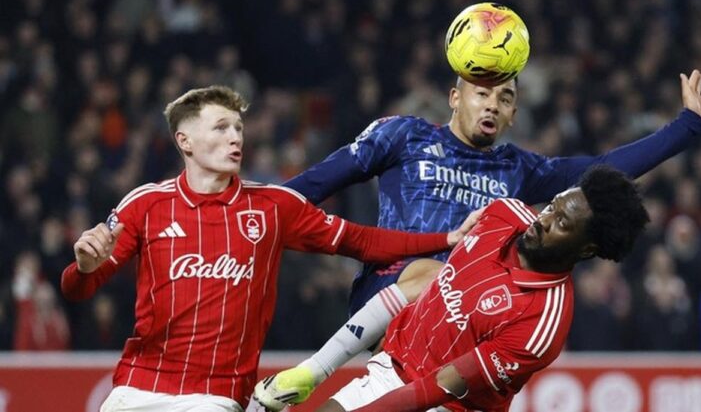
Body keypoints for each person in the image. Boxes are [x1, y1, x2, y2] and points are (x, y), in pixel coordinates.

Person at [253, 69, 701, 405]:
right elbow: (312, 186)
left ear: (514, 115)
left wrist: (687, 127)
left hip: (463, 341)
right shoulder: (404, 135)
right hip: (395, 301)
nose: (492, 104)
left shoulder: (519, 171)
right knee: (432, 271)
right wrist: (252, 216)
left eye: (506, 98)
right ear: (455, 97)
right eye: (482, 93)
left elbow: (600, 177)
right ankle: (313, 371)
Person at [59, 86, 481, 412]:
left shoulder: (272, 207)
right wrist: (82, 267)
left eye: (238, 128)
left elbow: (361, 240)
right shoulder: (146, 204)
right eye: (221, 127)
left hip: (214, 397)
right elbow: (78, 290)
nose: (235, 138)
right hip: (134, 390)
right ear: (184, 141)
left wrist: (444, 241)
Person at [271, 164, 650, 412]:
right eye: (551, 206)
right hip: (389, 370)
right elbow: (428, 278)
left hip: (442, 404)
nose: (544, 220)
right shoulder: (503, 214)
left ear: (586, 249)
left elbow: (440, 386)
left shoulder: (541, 324)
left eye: (562, 223)